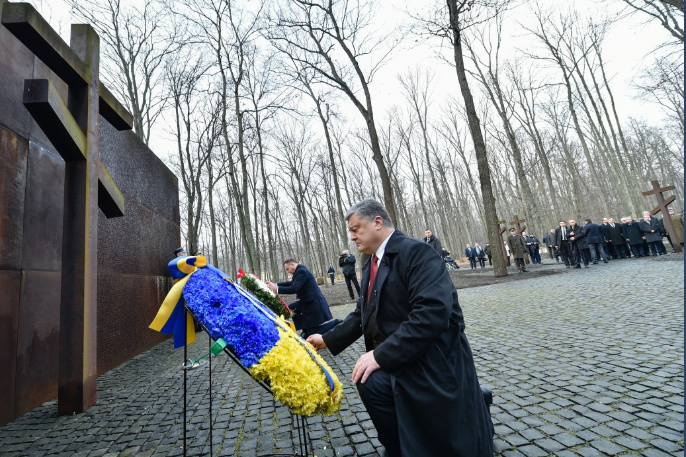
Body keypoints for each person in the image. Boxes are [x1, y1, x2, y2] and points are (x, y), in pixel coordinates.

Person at [307, 199, 494, 457]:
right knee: (369, 381)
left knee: (372, 382)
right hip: (404, 353)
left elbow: (431, 315)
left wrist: (379, 356)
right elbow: (363, 313)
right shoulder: (371, 262)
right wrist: (327, 339)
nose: (352, 237)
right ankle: (401, 447)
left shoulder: (417, 253)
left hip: (434, 356)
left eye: (356, 229)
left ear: (377, 222)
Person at [266, 260, 337, 338]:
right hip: (306, 301)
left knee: (312, 333)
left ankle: (336, 323)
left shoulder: (301, 272)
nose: (288, 271)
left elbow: (294, 288)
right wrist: (275, 285)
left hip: (314, 303)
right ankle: (304, 328)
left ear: (292, 264)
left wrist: (277, 289)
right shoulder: (299, 271)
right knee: (291, 308)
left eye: (287, 269)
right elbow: (291, 283)